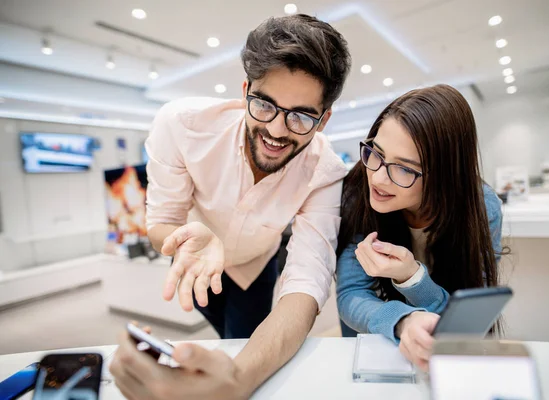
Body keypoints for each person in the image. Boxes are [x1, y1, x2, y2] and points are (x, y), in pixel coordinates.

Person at [109, 14, 351, 400]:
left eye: (302, 116)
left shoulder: (325, 171)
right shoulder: (182, 125)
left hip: (256, 266)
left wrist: (237, 381)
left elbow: (307, 283)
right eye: (264, 105)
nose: (275, 130)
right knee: (232, 342)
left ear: (323, 120)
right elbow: (162, 221)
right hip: (191, 249)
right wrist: (185, 239)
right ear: (244, 91)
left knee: (246, 346)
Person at [335, 84, 503, 372]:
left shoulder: (481, 209)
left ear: (445, 175)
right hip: (373, 350)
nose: (377, 178)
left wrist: (411, 278)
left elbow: (467, 317)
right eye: (375, 153)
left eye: (404, 168)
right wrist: (403, 321)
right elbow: (351, 295)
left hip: (439, 353)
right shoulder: (357, 190)